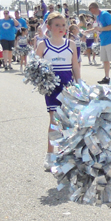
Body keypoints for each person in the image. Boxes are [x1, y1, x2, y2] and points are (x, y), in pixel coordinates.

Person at [37, 13, 80, 171]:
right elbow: (34, 66)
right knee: (54, 120)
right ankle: (50, 155)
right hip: (51, 87)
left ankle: (65, 154)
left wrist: (79, 83)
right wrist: (42, 80)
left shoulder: (71, 44)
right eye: (57, 25)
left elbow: (75, 65)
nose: (61, 28)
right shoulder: (43, 45)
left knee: (68, 121)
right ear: (48, 27)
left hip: (68, 86)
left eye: (63, 25)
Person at [89, 2, 111, 84]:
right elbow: (97, 28)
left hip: (110, 40)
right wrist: (88, 31)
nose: (91, 12)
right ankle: (107, 77)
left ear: (94, 8)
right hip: (103, 41)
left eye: (91, 10)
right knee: (105, 60)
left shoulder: (105, 14)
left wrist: (101, 29)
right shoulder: (98, 17)